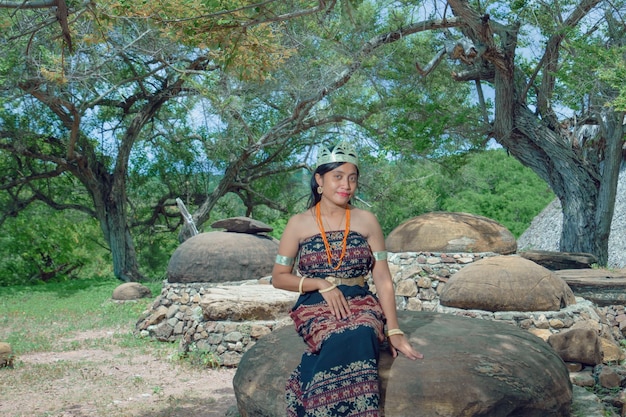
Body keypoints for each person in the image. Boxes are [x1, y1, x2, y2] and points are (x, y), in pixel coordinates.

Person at [272, 141, 423, 417]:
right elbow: (279, 278)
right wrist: (319, 283)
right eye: (338, 177)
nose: (346, 185)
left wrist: (394, 330)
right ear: (319, 179)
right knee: (334, 335)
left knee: (362, 330)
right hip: (315, 302)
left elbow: (382, 278)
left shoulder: (366, 220)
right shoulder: (298, 223)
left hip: (360, 299)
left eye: (352, 178)